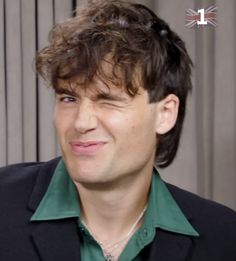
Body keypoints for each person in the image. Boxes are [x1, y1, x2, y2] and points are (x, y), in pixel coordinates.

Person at [0, 0, 236, 260]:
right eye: (69, 98)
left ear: (165, 114)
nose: (81, 122)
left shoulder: (224, 237)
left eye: (108, 100)